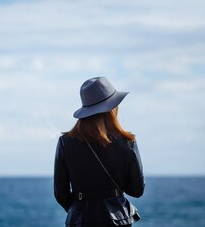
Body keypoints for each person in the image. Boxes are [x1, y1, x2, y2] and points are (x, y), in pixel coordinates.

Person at [54, 76, 145, 226]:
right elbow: (137, 190)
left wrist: (79, 207)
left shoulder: (65, 142)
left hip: (80, 219)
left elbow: (61, 194)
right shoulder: (127, 142)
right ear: (112, 108)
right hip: (118, 219)